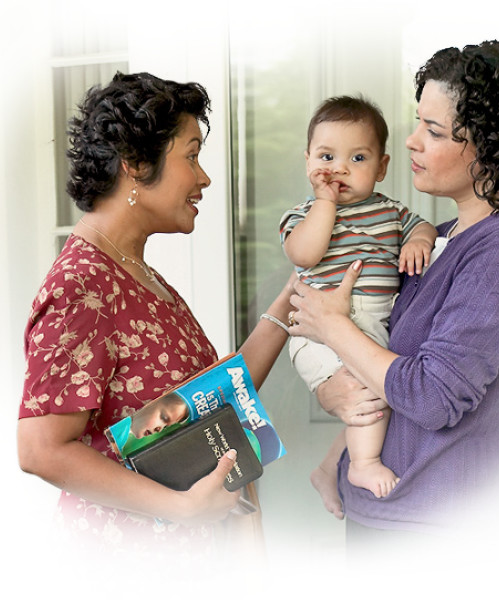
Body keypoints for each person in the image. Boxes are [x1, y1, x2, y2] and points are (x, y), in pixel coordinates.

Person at [286, 41, 499, 546]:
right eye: (417, 122)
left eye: (433, 130)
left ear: (491, 147)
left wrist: (332, 327)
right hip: (390, 510)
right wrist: (336, 447)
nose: (409, 142)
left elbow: (431, 396)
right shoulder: (440, 237)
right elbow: (392, 360)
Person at [17, 72, 294, 556]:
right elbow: (41, 449)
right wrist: (182, 508)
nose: (204, 177)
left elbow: (216, 394)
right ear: (136, 163)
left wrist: (295, 297)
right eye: (191, 155)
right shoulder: (83, 284)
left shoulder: (138, 276)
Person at [279, 96, 437, 505]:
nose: (339, 169)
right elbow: (303, 255)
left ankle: (329, 466)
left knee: (374, 395)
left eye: (358, 158)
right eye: (327, 156)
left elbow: (425, 228)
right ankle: (361, 464)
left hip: (371, 326)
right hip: (317, 332)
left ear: (381, 167)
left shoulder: (391, 212)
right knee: (365, 396)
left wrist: (417, 243)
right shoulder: (304, 214)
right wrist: (325, 204)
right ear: (308, 160)